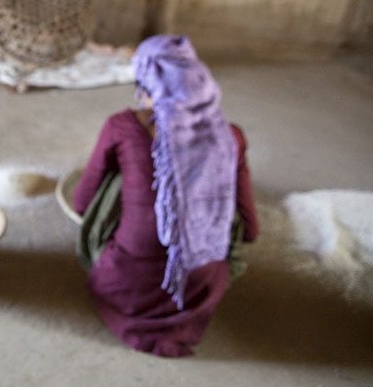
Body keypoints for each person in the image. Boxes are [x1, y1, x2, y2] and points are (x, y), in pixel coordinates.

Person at [72, 35, 258, 357]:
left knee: (120, 181)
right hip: (199, 289)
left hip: (127, 284)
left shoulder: (122, 126)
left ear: (146, 86)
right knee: (214, 196)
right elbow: (251, 230)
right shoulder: (232, 138)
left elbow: (81, 202)